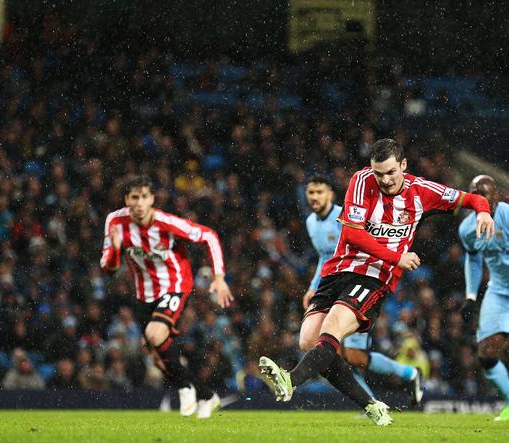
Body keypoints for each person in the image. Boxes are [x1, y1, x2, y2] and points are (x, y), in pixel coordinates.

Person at [259, 138, 494, 425]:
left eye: (391, 173)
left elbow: (471, 199)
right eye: (378, 173)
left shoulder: (422, 191)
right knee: (309, 340)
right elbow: (354, 235)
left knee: (333, 331)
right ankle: (372, 405)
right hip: (338, 271)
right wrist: (398, 256)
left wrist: (483, 210)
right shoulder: (361, 180)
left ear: (403, 166)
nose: (384, 180)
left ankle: (289, 380)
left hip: (375, 277)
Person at [100, 175, 233, 418]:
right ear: (126, 200)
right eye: (134, 198)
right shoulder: (115, 222)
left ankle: (185, 389)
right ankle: (206, 395)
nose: (139, 204)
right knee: (159, 359)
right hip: (143, 295)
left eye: (143, 197)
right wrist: (116, 250)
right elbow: (108, 268)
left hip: (175, 285)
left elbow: (209, 236)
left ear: (152, 199)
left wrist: (219, 276)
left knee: (154, 334)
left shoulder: (166, 223)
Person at [303, 175, 423, 404]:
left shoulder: (345, 217)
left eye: (320, 192)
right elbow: (325, 258)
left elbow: (364, 248)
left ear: (331, 194)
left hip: (358, 287)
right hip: (331, 287)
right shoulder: (311, 223)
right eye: (311, 192)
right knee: (334, 350)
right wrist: (312, 287)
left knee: (354, 356)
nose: (315, 197)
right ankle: (370, 403)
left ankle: (409, 374)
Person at [459, 175, 509, 421]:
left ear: (497, 195)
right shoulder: (467, 229)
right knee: (486, 353)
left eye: (486, 195)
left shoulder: (507, 216)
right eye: (476, 196)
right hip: (499, 291)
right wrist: (470, 294)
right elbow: (473, 258)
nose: (482, 201)